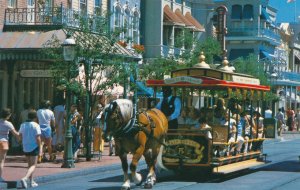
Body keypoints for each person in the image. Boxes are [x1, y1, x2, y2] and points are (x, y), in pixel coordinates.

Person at [19, 110, 41, 188]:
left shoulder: (23, 125)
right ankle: (25, 178)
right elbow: (38, 138)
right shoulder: (36, 125)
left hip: (25, 146)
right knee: (33, 165)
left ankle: (31, 182)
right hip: (33, 146)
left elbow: (20, 136)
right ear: (35, 117)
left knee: (29, 166)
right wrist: (40, 149)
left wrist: (22, 142)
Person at [0, 108, 19, 182]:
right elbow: (15, 134)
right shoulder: (8, 123)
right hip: (4, 142)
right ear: (8, 115)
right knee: (1, 161)